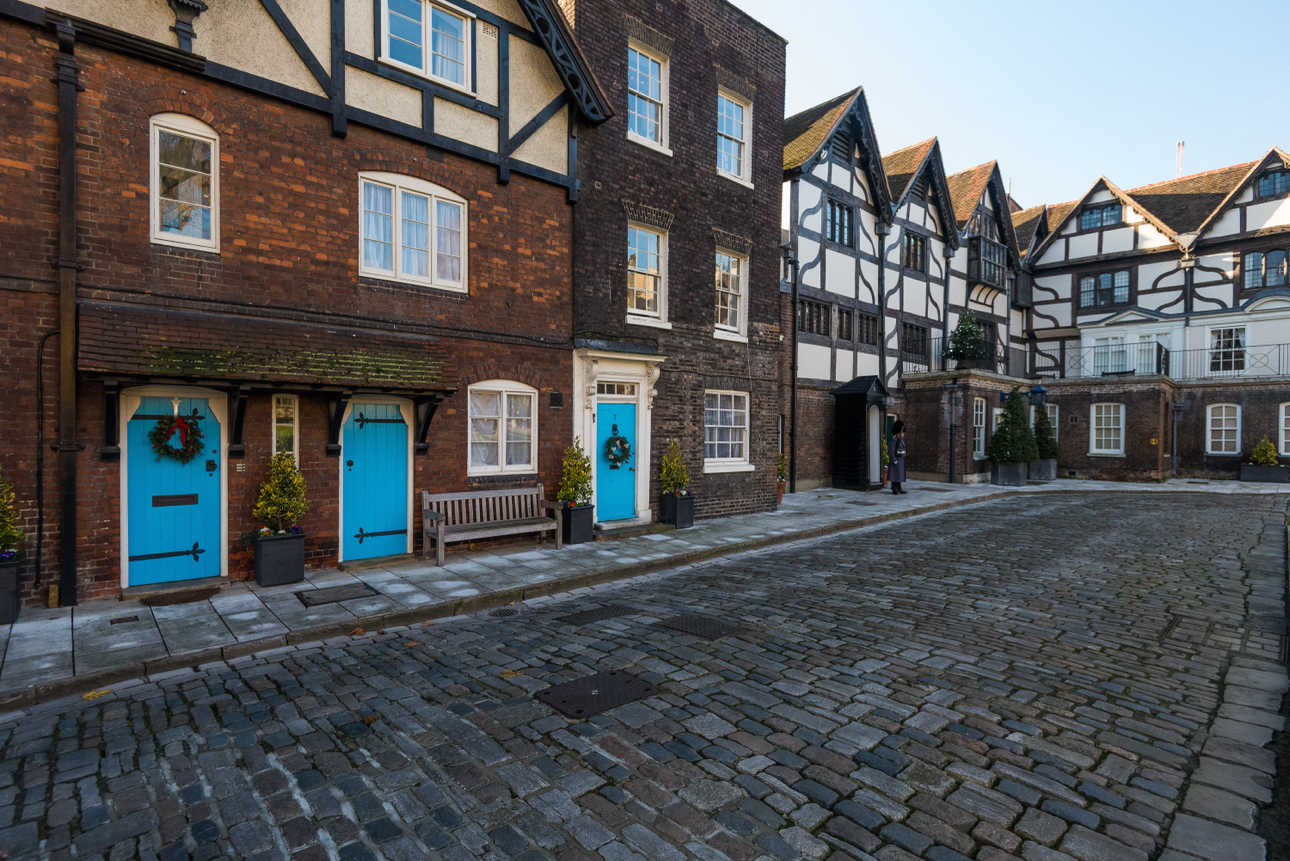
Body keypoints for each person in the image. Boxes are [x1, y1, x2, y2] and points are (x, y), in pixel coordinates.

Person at [890, 420, 907, 495]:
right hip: (897, 459)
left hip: (901, 460)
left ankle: (899, 487)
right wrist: (894, 460)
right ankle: (894, 488)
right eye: (902, 432)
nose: (903, 433)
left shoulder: (900, 440)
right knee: (895, 475)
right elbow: (891, 450)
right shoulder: (894, 440)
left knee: (899, 475)